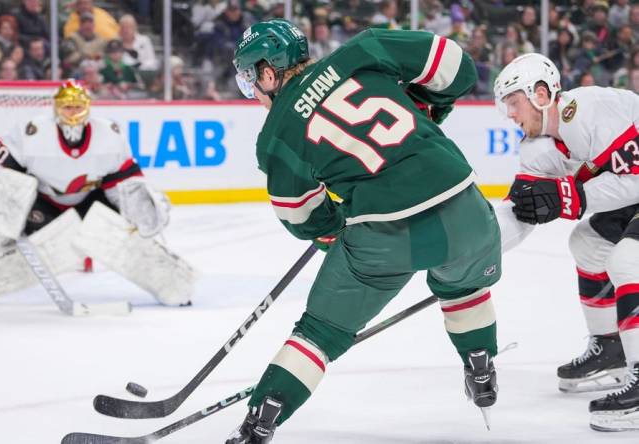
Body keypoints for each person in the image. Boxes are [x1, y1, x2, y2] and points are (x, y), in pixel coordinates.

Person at [227, 19, 502, 443]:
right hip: (464, 206)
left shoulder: (276, 135)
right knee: (463, 285)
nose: (255, 95)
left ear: (268, 72)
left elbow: (300, 216)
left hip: (382, 238)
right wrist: (428, 103)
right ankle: (480, 363)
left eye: (251, 82)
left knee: (318, 335)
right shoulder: (364, 50)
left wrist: (334, 230)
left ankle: (260, 422)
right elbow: (457, 66)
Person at [0, 81, 195, 312]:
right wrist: (12, 204)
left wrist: (135, 213)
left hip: (90, 201)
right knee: (40, 252)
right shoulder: (32, 132)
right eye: (67, 107)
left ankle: (173, 284)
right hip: (42, 205)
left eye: (77, 106)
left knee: (118, 237)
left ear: (88, 108)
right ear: (56, 108)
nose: (72, 112)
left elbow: (123, 181)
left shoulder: (109, 134)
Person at [493, 53, 639, 431]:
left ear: (540, 93)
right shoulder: (536, 149)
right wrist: (479, 249)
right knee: (588, 243)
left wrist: (575, 197)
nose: (510, 114)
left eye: (513, 103)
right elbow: (523, 211)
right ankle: (611, 348)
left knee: (628, 260)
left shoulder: (594, 110)